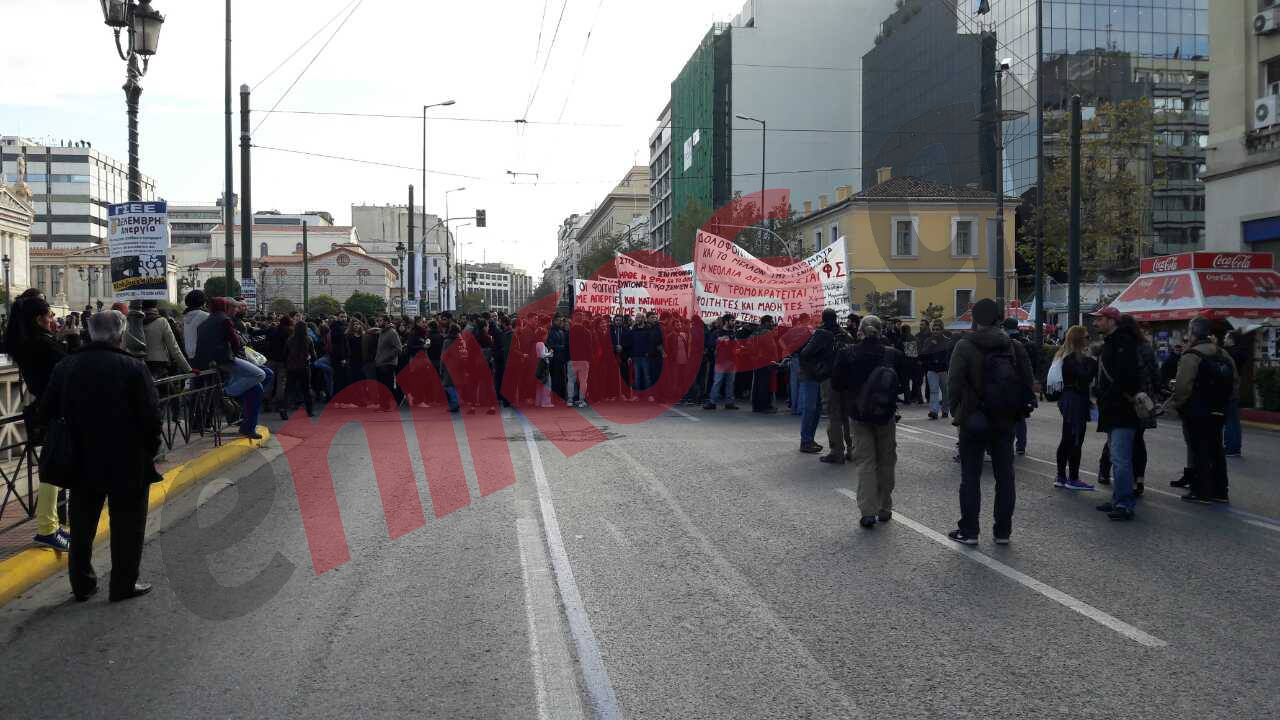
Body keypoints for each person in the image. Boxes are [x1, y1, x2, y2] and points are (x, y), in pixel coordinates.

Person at [39, 310, 161, 602]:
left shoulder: (67, 366)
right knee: (128, 527)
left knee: (82, 525)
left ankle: (82, 584)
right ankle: (122, 585)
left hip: (80, 458)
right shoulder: (133, 367)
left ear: (89, 333)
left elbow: (47, 411)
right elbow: (151, 418)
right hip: (127, 458)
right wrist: (150, 449)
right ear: (120, 336)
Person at [946, 298, 1035, 544]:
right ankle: (1002, 532)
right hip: (1005, 419)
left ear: (975, 319)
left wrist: (958, 410)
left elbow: (953, 383)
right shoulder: (1014, 346)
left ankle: (970, 531)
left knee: (970, 477)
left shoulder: (964, 345)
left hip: (973, 417)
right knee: (1005, 477)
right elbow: (1027, 381)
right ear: (998, 318)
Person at [10, 293, 72, 550]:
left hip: (48, 407)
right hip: (56, 408)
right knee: (53, 469)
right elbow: (67, 368)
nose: (53, 318)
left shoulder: (31, 343)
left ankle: (54, 524)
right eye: (49, 315)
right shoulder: (43, 345)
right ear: (38, 319)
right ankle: (48, 527)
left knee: (55, 466)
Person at [833, 315, 903, 528]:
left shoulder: (848, 353)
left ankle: (868, 511)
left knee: (866, 462)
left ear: (860, 331)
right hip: (885, 415)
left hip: (858, 414)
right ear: (881, 331)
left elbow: (836, 383)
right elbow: (910, 377)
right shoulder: (892, 355)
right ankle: (885, 507)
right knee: (886, 460)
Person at [1170, 316, 1237, 504]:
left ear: (1192, 333)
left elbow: (1183, 386)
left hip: (1197, 411)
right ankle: (1220, 491)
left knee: (1199, 450)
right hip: (1219, 410)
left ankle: (1201, 491)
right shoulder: (1223, 354)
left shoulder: (1192, 355)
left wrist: (1179, 405)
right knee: (1216, 449)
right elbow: (1235, 382)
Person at [1092, 306, 1142, 521]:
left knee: (1121, 459)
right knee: (1116, 456)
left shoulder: (1124, 344)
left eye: (1100, 319)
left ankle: (1124, 503)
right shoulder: (1114, 343)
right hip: (1114, 409)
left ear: (1111, 321)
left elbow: (1126, 378)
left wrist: (1108, 394)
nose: (1096, 323)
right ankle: (1118, 498)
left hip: (1122, 410)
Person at [193, 297, 269, 439]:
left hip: (208, 363)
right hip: (225, 359)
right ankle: (226, 392)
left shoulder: (203, 324)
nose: (237, 310)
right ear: (225, 307)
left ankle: (240, 412)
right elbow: (235, 342)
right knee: (261, 375)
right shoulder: (225, 320)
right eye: (234, 307)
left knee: (257, 384)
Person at [1051, 325, 1097, 491]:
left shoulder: (1062, 355)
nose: (1088, 340)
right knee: (1076, 438)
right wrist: (1091, 360)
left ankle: (1061, 476)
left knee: (1067, 438)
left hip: (1068, 399)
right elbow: (1085, 377)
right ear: (1079, 339)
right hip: (1075, 400)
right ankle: (1072, 478)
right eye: (1086, 337)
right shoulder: (1074, 358)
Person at [797, 310, 838, 456]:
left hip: (816, 375)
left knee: (815, 408)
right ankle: (806, 441)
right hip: (811, 375)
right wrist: (817, 370)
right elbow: (805, 354)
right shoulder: (822, 333)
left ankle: (809, 439)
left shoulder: (826, 333)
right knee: (810, 408)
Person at [1002, 318, 1036, 455]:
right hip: (1022, 385)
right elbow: (1030, 366)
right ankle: (1021, 445)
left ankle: (1007, 444)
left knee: (1006, 416)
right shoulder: (1027, 342)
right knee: (1020, 416)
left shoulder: (1004, 342)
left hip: (1008, 384)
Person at [141, 299, 191, 378]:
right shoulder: (162, 321)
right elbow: (174, 349)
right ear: (156, 306)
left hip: (140, 364)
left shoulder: (136, 322)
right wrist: (188, 369)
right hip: (159, 366)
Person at [281, 318, 316, 419]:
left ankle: (284, 408)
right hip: (304, 367)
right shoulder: (308, 339)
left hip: (291, 367)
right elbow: (314, 355)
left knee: (288, 389)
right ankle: (310, 410)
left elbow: (285, 354)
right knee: (306, 389)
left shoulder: (290, 339)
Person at [1222, 330, 1249, 457]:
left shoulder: (1230, 354)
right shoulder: (1239, 353)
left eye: (1226, 337)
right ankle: (1235, 446)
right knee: (1233, 420)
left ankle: (1231, 447)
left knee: (1230, 420)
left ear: (1232, 340)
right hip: (1235, 389)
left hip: (1228, 389)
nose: (1224, 339)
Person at [919, 319, 952, 420]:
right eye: (934, 329)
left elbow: (950, 355)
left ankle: (945, 410)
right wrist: (931, 345)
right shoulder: (928, 340)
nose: (935, 331)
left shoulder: (947, 341)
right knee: (934, 391)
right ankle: (934, 411)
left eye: (937, 329)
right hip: (932, 369)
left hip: (943, 370)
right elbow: (923, 353)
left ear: (942, 330)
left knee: (945, 391)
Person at [375, 316, 403, 411]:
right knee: (382, 386)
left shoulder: (392, 332)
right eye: (377, 321)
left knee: (388, 385)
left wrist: (386, 358)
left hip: (388, 363)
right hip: (380, 363)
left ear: (386, 322)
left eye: (380, 320)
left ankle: (391, 404)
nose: (378, 322)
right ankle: (383, 405)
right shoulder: (382, 332)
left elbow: (398, 348)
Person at [182, 290, 209, 358]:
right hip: (202, 354)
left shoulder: (185, 316)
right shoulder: (205, 316)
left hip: (189, 354)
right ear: (202, 301)